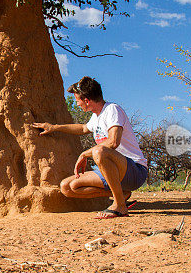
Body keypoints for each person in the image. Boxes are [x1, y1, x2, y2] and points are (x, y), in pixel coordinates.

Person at [32, 76, 148, 219]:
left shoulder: (112, 110)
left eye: (77, 100)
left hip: (134, 170)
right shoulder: (96, 116)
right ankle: (122, 194)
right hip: (115, 173)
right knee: (67, 187)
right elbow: (82, 128)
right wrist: (54, 127)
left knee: (99, 151)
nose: (77, 103)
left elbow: (113, 142)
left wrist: (85, 154)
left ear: (86, 100)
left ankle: (120, 206)